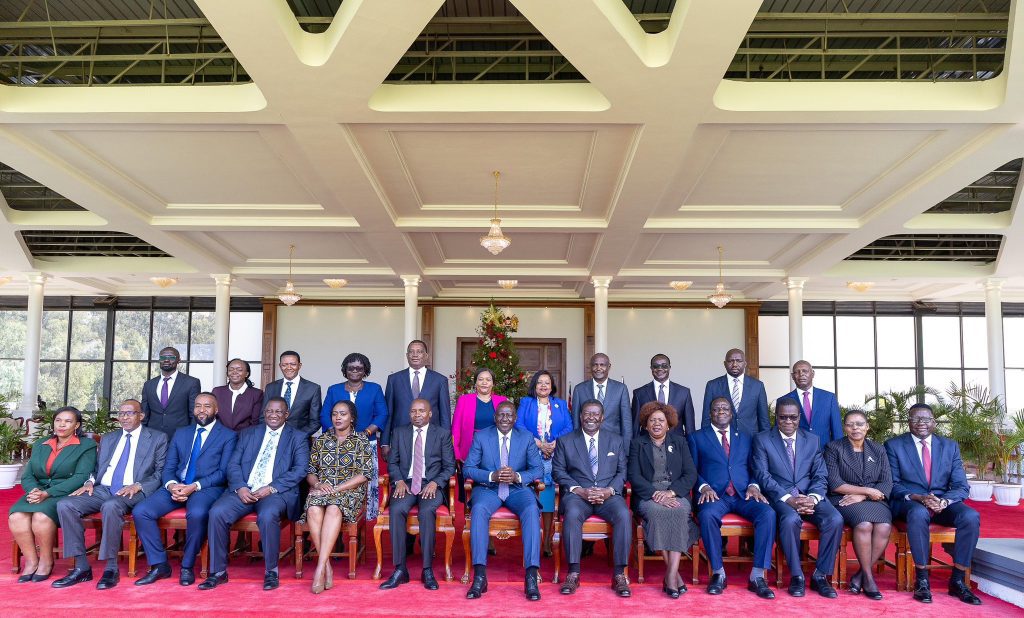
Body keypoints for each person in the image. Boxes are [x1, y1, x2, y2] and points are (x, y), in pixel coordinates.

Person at [53, 400, 168, 590]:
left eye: (130, 413)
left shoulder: (157, 438)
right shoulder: (109, 438)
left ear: (141, 415)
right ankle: (81, 567)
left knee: (111, 506)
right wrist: (90, 481)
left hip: (133, 489)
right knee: (66, 505)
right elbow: (97, 468)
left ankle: (111, 568)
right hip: (103, 488)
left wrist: (138, 485)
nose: (124, 417)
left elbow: (160, 473)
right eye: (121, 413)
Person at [200, 397, 310, 591]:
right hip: (245, 490)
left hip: (275, 492)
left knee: (268, 515)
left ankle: (271, 571)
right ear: (264, 413)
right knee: (217, 512)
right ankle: (218, 572)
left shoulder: (298, 437)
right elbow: (233, 464)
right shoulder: (248, 434)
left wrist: (270, 488)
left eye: (278, 412)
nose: (273, 415)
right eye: (269, 411)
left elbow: (300, 470)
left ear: (286, 415)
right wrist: (240, 487)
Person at [132, 392, 237, 586]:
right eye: (198, 406)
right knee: (141, 511)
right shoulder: (182, 433)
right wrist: (172, 485)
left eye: (207, 406)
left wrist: (194, 486)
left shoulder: (228, 436)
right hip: (177, 485)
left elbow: (224, 472)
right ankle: (159, 564)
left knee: (197, 514)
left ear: (216, 410)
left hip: (206, 487)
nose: (202, 410)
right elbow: (169, 466)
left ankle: (187, 565)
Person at [886, 403, 981, 605]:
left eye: (926, 419)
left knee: (970, 516)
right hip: (911, 501)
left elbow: (961, 485)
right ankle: (922, 580)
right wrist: (918, 497)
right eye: (915, 419)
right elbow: (892, 484)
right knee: (918, 514)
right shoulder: (894, 445)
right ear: (908, 422)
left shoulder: (949, 446)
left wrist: (944, 501)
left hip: (942, 501)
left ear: (934, 422)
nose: (921, 423)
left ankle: (957, 580)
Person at [751, 397, 842, 599]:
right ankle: (797, 575)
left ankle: (820, 575)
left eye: (793, 417)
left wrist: (812, 498)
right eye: (783, 417)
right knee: (791, 519)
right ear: (776, 417)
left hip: (809, 495)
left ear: (799, 417)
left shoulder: (812, 439)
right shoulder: (763, 439)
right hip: (781, 497)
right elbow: (762, 475)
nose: (788, 421)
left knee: (835, 519)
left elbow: (820, 474)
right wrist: (788, 499)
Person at [687, 397, 775, 599]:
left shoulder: (746, 437)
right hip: (715, 495)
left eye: (725, 408)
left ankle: (757, 576)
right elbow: (691, 469)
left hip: (744, 494)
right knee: (707, 516)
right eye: (716, 409)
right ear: (710, 413)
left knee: (768, 514)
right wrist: (704, 486)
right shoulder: (697, 437)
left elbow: (756, 467)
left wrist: (754, 485)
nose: (721, 412)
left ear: (731, 412)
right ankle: (718, 573)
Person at [463, 401, 544, 601]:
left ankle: (531, 577)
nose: (505, 419)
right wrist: (492, 475)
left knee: (532, 509)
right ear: (495, 417)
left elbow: (538, 469)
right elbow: (468, 468)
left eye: (509, 416)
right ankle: (480, 576)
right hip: (489, 489)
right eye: (501, 415)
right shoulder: (481, 436)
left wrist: (517, 476)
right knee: (479, 509)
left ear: (515, 419)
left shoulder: (525, 438)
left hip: (517, 489)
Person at [551, 399, 632, 597]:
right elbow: (558, 471)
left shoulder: (616, 440)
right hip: (578, 496)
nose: (591, 418)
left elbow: (622, 472)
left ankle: (620, 574)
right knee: (571, 513)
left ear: (602, 417)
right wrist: (579, 490)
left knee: (623, 514)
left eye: (596, 414)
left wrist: (609, 490)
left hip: (608, 495)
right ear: (580, 416)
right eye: (587, 413)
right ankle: (573, 572)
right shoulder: (566, 441)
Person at [9, 407, 97, 583]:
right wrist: (33, 490)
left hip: (63, 492)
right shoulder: (41, 444)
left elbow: (80, 477)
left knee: (41, 517)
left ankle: (46, 562)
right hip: (37, 491)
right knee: (16, 516)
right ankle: (32, 561)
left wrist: (47, 493)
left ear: (77, 425)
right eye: (58, 420)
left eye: (68, 421)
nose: (62, 425)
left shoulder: (86, 445)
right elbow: (28, 475)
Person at [379, 398, 456, 591]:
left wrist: (435, 483)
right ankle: (400, 569)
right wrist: (398, 481)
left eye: (422, 411)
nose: (417, 415)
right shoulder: (399, 433)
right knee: (396, 509)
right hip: (406, 482)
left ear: (430, 414)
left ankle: (427, 569)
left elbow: (449, 466)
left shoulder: (442, 434)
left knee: (427, 511)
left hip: (431, 484)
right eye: (413, 411)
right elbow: (393, 463)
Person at [302, 399, 374, 594]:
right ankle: (326, 566)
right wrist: (317, 484)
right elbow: (310, 471)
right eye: (334, 414)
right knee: (314, 507)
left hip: (349, 490)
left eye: (343, 413)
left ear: (352, 418)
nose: (338, 417)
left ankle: (319, 568)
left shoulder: (361, 440)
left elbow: (365, 474)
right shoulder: (322, 440)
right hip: (323, 488)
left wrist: (338, 488)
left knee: (334, 507)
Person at [628, 401, 697, 599]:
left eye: (661, 420)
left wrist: (672, 493)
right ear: (645, 424)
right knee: (658, 513)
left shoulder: (680, 442)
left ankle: (670, 576)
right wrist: (655, 494)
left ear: (669, 424)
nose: (656, 424)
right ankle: (675, 578)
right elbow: (634, 475)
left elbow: (690, 474)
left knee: (679, 511)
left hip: (674, 493)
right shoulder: (637, 443)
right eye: (652, 420)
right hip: (649, 495)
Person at [823, 409, 892, 601]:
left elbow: (886, 482)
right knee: (864, 525)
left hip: (873, 500)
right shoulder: (834, 448)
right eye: (850, 424)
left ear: (867, 427)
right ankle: (869, 579)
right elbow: (834, 484)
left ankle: (860, 575)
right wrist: (867, 491)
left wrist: (864, 495)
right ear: (844, 427)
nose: (855, 428)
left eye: (860, 424)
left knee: (884, 525)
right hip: (843, 499)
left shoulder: (878, 449)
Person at [320, 352, 388, 520]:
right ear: (345, 370)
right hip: (337, 445)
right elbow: (324, 415)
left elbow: (382, 414)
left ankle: (364, 516)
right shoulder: (334, 390)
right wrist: (336, 434)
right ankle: (336, 512)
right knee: (337, 481)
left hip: (366, 442)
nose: (355, 371)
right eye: (351, 368)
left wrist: (366, 433)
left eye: (359, 368)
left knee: (364, 482)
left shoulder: (375, 389)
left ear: (365, 370)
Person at [516, 369, 572, 557]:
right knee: (532, 498)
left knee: (549, 500)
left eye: (547, 382)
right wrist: (538, 443)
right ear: (534, 385)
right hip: (530, 455)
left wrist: (554, 443)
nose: (543, 386)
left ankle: (547, 541)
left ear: (552, 386)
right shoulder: (526, 403)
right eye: (540, 382)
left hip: (554, 455)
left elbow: (568, 427)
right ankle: (532, 540)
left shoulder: (560, 404)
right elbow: (520, 425)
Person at [382, 340, 452, 458]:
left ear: (426, 356)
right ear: (407, 355)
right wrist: (385, 442)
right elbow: (388, 412)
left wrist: (445, 442)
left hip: (431, 436)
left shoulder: (440, 380)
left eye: (419, 352)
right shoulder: (394, 379)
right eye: (411, 352)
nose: (415, 355)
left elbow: (445, 414)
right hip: (401, 438)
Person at [702, 349, 769, 435]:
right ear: (724, 364)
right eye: (730, 361)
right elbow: (706, 417)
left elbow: (763, 419)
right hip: (722, 439)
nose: (734, 364)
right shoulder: (712, 385)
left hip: (751, 439)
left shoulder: (757, 386)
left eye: (739, 361)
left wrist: (766, 443)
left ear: (745, 363)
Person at [141, 346, 201, 440]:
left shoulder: (191, 383)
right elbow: (144, 414)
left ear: (178, 360)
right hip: (152, 437)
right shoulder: (149, 384)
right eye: (163, 357)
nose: (166, 360)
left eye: (171, 357)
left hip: (181, 437)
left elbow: (194, 413)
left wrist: (191, 436)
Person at [777, 360, 842, 447]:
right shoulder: (783, 400)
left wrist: (838, 455)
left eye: (805, 371)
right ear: (792, 376)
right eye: (797, 372)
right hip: (796, 454)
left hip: (825, 452)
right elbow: (779, 432)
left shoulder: (829, 398)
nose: (801, 374)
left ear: (813, 374)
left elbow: (837, 431)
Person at [570, 353, 632, 444]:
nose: (598, 368)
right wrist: (575, 443)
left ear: (609, 366)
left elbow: (626, 420)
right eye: (595, 365)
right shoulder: (579, 389)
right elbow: (575, 420)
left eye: (602, 365)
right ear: (590, 367)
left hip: (613, 441)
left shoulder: (620, 389)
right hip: (586, 442)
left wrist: (626, 449)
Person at [631, 354, 695, 438]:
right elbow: (635, 427)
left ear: (669, 367)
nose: (660, 368)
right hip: (647, 446)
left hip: (677, 445)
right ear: (651, 368)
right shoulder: (639, 393)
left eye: (664, 366)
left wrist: (688, 449)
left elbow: (690, 427)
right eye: (656, 366)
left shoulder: (684, 393)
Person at [263, 350, 322, 438]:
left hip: (300, 440)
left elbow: (315, 421)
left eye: (293, 364)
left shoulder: (313, 388)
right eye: (284, 365)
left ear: (299, 365)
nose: (289, 367)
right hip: (272, 438)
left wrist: (297, 436)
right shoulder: (270, 387)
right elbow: (263, 416)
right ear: (280, 366)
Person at [212, 358, 263, 432]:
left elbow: (255, 422)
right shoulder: (217, 391)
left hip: (244, 438)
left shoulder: (256, 394)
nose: (234, 372)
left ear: (246, 374)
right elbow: (213, 417)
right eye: (231, 369)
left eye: (239, 370)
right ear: (227, 373)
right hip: (220, 436)